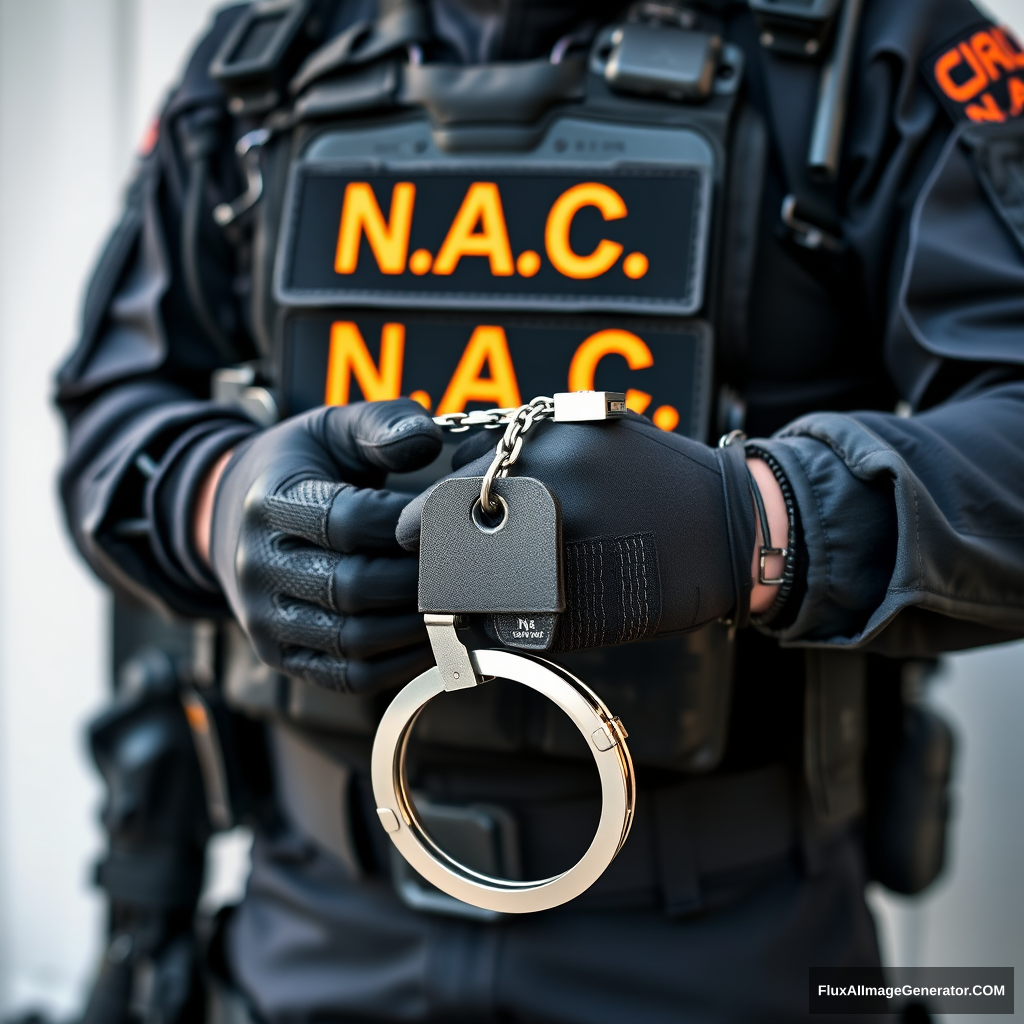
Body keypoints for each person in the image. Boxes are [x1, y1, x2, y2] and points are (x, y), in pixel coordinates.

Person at [57, 0, 1024, 1020]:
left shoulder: (870, 45)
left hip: (730, 948)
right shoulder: (268, 54)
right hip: (314, 924)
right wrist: (214, 500)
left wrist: (753, 526)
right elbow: (112, 408)